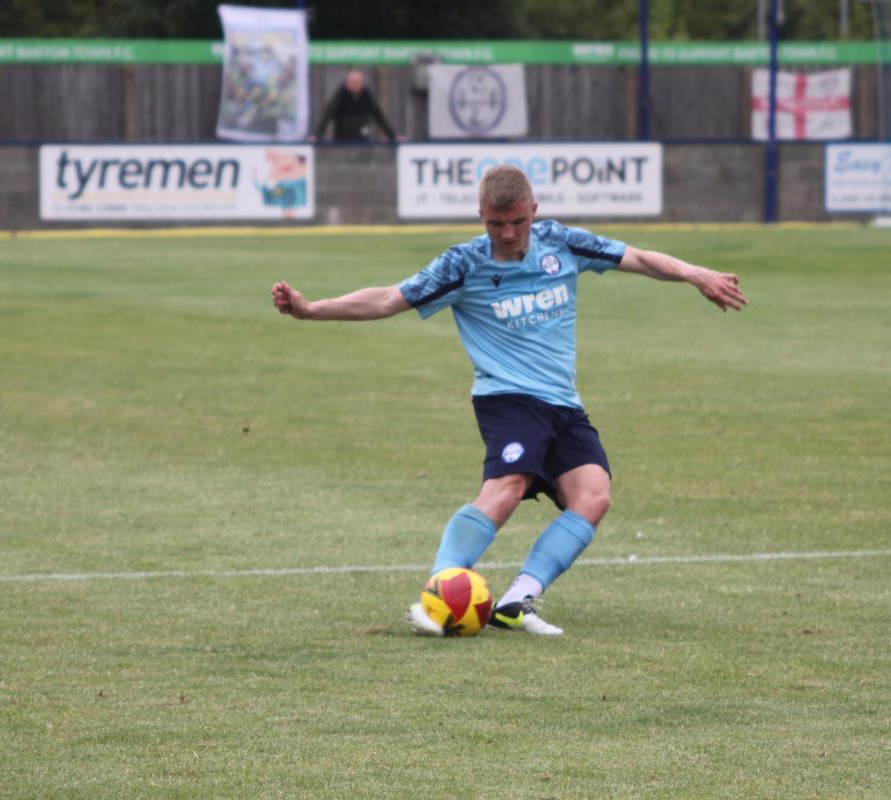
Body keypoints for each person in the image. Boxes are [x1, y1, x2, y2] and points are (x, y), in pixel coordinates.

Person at [272, 165, 747, 636]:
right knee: (508, 487)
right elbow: (386, 299)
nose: (507, 233)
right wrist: (311, 310)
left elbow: (637, 258)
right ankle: (437, 595)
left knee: (592, 495)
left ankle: (516, 602)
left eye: (518, 221)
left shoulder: (560, 243)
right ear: (480, 215)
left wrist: (695, 273)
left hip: (563, 403)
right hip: (507, 398)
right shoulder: (464, 264)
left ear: (534, 211)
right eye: (495, 223)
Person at [310, 69, 401, 143]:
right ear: (347, 83)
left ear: (362, 83)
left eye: (357, 82)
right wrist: (317, 135)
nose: (355, 85)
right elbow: (327, 115)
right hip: (342, 140)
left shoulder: (367, 96)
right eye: (352, 82)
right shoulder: (340, 96)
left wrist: (393, 136)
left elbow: (380, 117)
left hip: (363, 139)